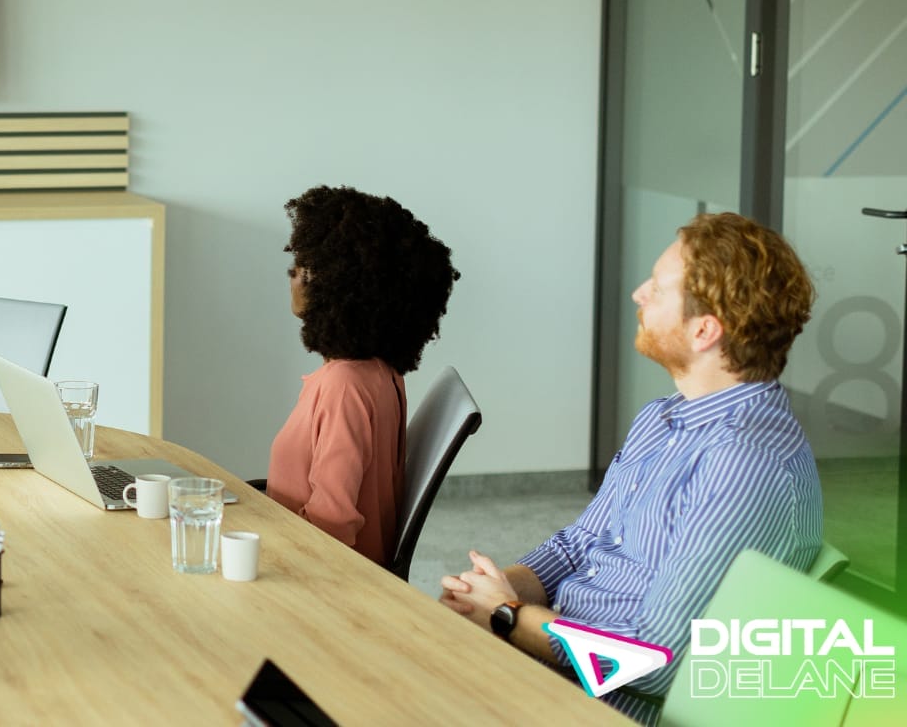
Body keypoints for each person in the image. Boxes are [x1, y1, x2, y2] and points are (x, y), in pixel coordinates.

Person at [438, 212, 821, 724]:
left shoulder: (744, 462)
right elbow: (578, 548)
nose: (639, 294)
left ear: (705, 330)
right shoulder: (663, 418)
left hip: (608, 706)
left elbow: (651, 665)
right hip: (554, 657)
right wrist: (482, 596)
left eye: (658, 289)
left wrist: (508, 616)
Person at [264, 185, 459, 563]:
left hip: (314, 577)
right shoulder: (380, 372)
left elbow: (331, 526)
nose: (293, 277)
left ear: (341, 287)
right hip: (300, 552)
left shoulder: (343, 386)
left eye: (302, 268)